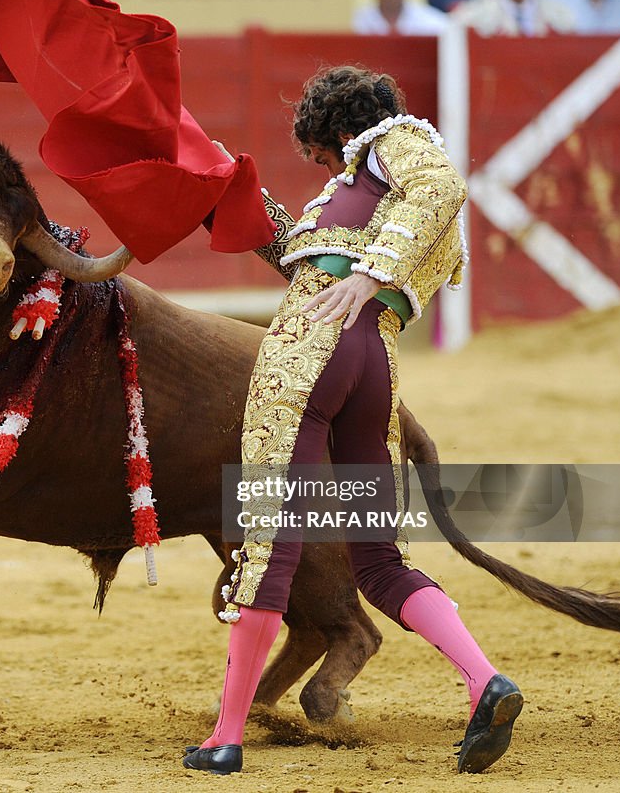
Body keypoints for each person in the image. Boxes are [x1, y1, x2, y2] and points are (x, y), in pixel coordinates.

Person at [182, 66, 522, 777]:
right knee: (378, 561)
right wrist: (223, 189)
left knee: (268, 542)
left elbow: (439, 187)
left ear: (342, 133)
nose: (322, 172)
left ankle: (226, 736)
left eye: (319, 157)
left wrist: (371, 271)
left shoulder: (391, 145)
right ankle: (483, 680)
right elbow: (304, 257)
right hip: (373, 369)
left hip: (308, 362)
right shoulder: (361, 197)